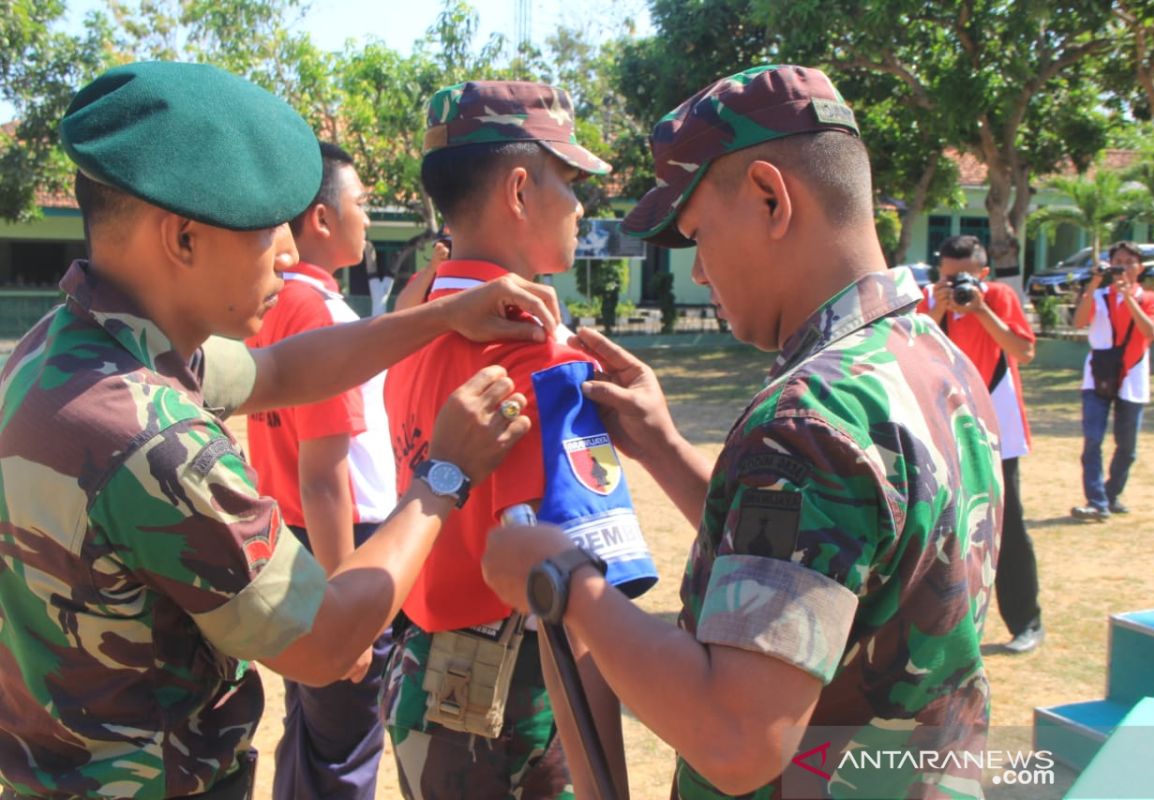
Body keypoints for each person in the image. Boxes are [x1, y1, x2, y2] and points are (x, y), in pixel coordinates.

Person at [0, 60, 564, 800]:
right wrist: (444, 476)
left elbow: (279, 373)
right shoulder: (155, 443)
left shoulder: (68, 350)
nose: (291, 253)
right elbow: (328, 641)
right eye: (268, 232)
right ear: (184, 239)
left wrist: (439, 316)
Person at [481, 64, 1004, 799]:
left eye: (699, 234)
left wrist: (568, 584)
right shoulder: (932, 357)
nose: (698, 272)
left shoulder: (811, 419)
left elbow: (738, 739)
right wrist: (664, 448)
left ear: (769, 197)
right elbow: (831, 569)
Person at [379, 80, 658, 800]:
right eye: (569, 181)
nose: (579, 205)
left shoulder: (411, 327)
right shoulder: (543, 357)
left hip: (424, 694)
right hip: (521, 714)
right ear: (519, 190)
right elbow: (582, 612)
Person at [243, 141, 396, 800]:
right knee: (345, 747)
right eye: (360, 204)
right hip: (340, 543)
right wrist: (342, 613)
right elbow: (325, 473)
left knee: (310, 729)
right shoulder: (320, 313)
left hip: (289, 537)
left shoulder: (271, 302)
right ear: (321, 219)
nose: (368, 218)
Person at [918, 235, 1043, 653]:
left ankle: (1027, 621)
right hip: (946, 425)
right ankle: (951, 628)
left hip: (998, 428)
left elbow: (1023, 350)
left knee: (1007, 526)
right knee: (947, 528)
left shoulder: (1000, 297)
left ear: (983, 274)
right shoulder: (928, 302)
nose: (957, 285)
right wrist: (937, 308)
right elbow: (913, 349)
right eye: (949, 276)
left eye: (965, 277)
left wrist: (981, 309)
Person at [1069, 241, 1154, 521]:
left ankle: (1111, 495)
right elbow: (1078, 321)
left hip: (1132, 375)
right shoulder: (1099, 296)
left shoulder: (1150, 299)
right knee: (1092, 440)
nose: (1122, 267)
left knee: (1127, 446)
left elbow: (1151, 331)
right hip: (1097, 374)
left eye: (1129, 261)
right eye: (1117, 261)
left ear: (1140, 267)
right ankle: (1097, 502)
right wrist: (1094, 283)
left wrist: (1131, 300)